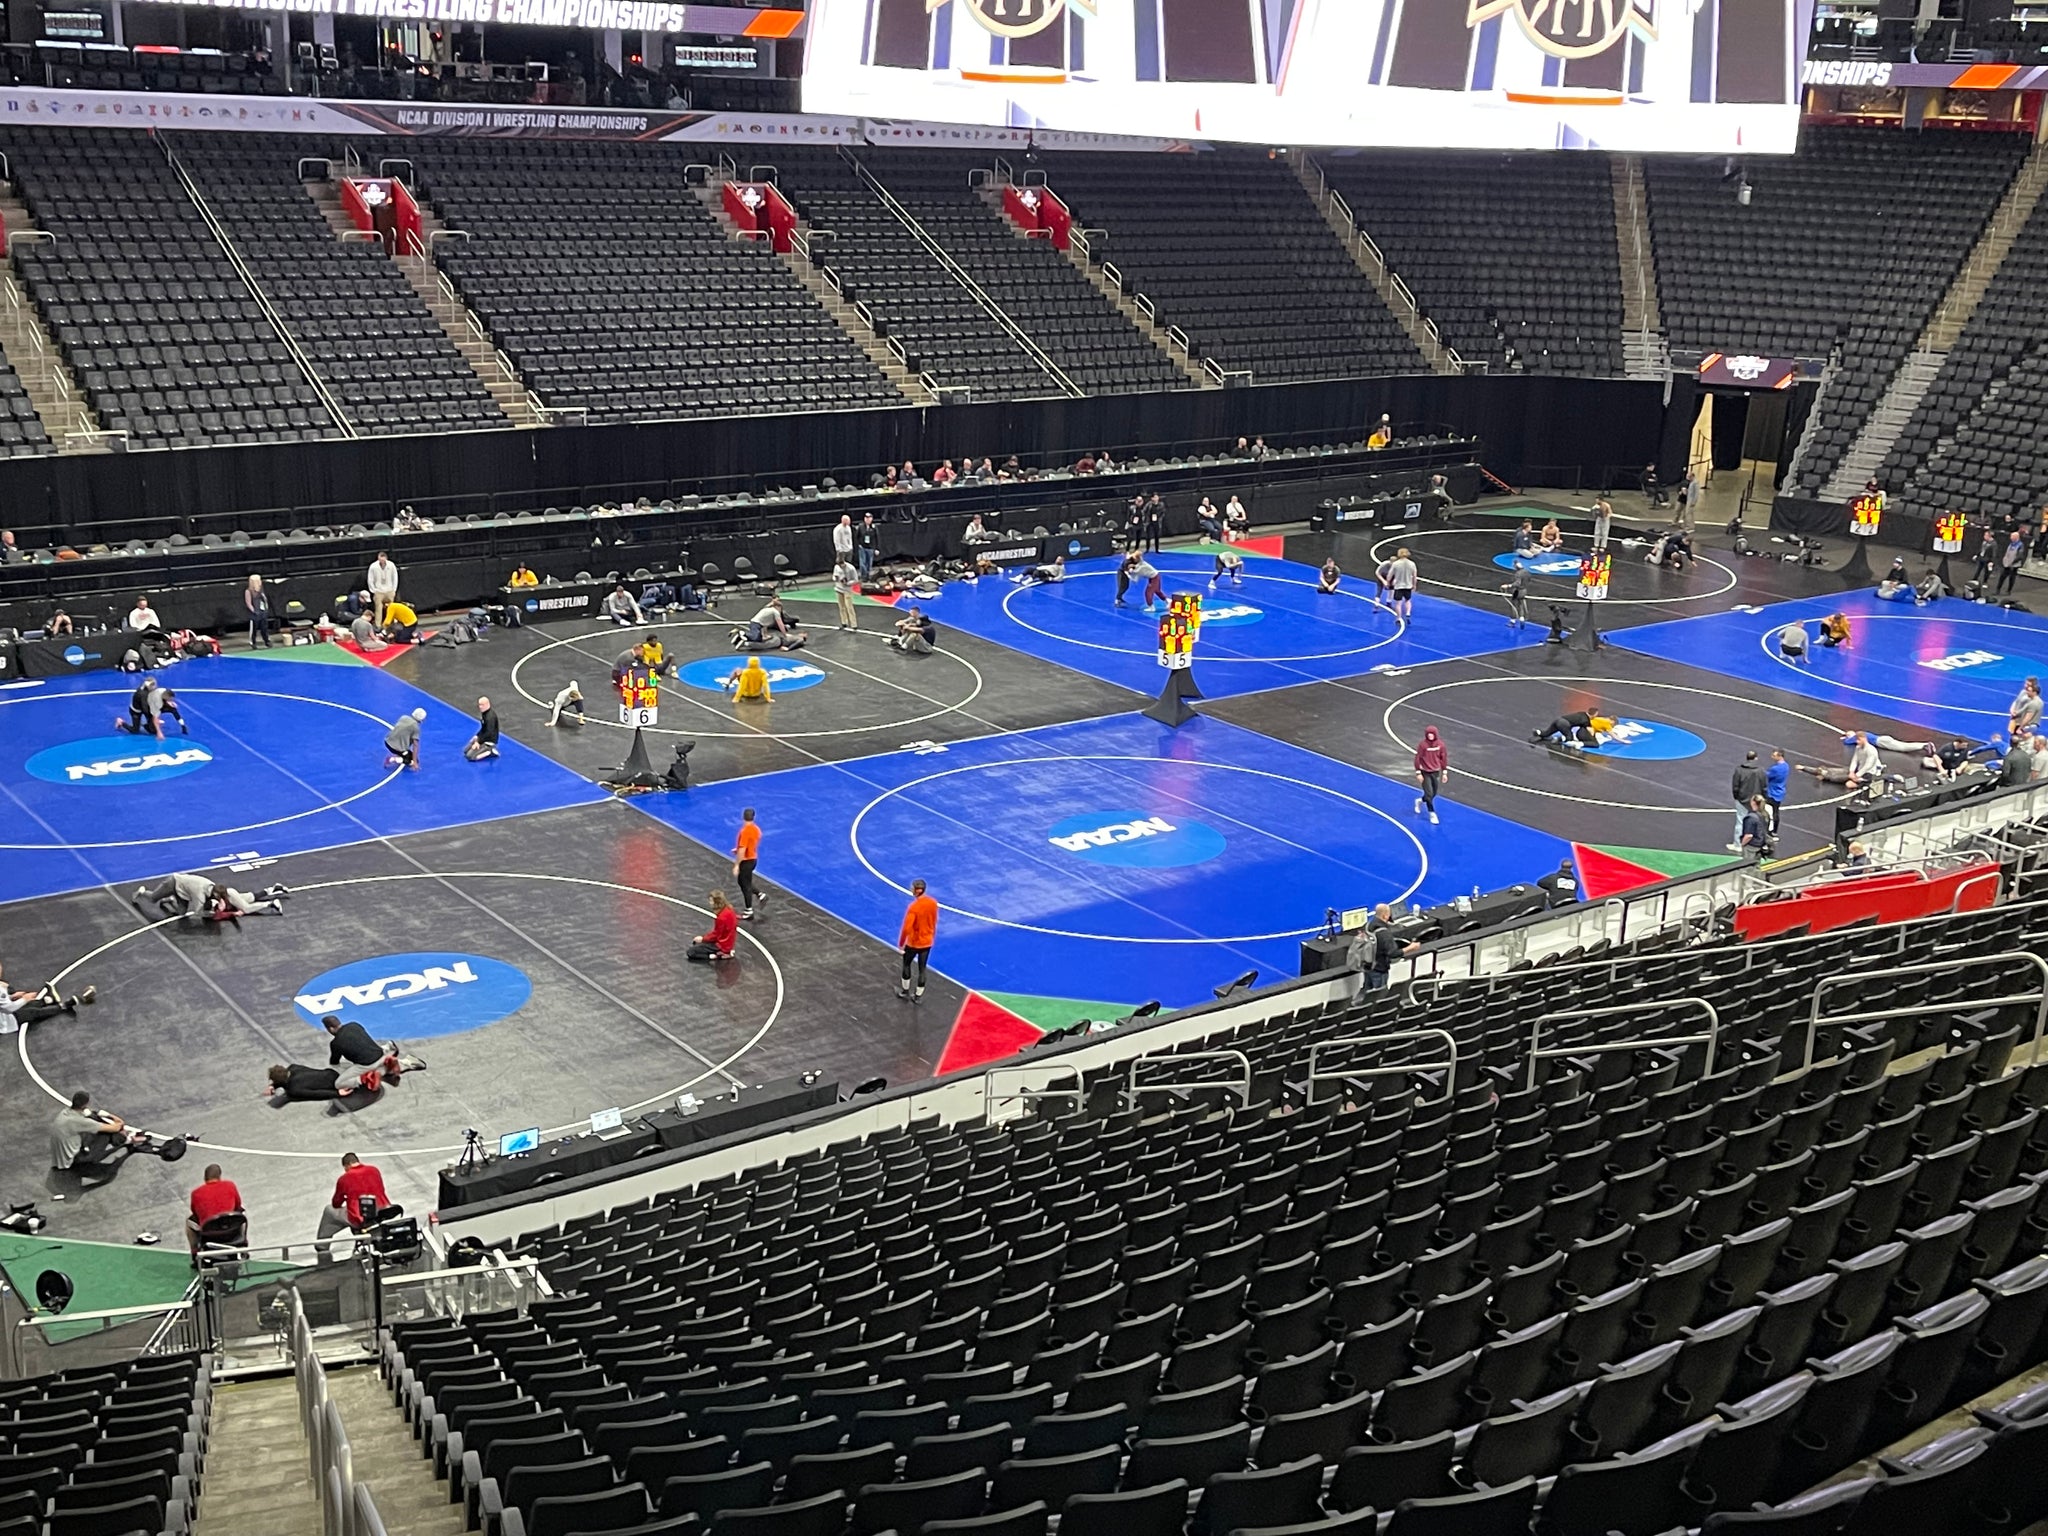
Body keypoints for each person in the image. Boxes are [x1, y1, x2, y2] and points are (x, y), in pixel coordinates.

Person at [50, 1091, 147, 1181]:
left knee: (95, 1123)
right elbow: (118, 1125)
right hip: (73, 1161)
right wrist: (108, 1115)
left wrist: (95, 1115)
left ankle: (125, 1138)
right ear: (85, 1104)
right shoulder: (79, 1122)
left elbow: (88, 1118)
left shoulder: (65, 1113)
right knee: (107, 1134)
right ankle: (127, 1140)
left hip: (61, 1156)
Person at [316, 1152, 389, 1250]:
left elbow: (336, 1203)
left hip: (360, 1216)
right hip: (382, 1211)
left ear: (347, 1165)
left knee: (329, 1211)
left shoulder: (344, 1179)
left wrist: (347, 1198)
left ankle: (322, 1246)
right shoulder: (374, 1170)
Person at [0, 960, 91, 1031]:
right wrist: (24, 998)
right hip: (7, 1023)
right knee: (32, 1011)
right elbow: (8, 1008)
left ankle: (49, 1000)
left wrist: (12, 997)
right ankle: (64, 1006)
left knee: (28, 1004)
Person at [1348, 903, 1417, 989]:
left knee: (1368, 991)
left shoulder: (1368, 925)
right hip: (1380, 969)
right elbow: (1393, 953)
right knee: (1379, 995)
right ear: (1385, 916)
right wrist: (1411, 948)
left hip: (1369, 965)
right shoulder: (1384, 933)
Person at [324, 1016, 400, 1092]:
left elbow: (334, 1062)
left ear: (331, 1029)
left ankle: (364, 1079)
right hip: (380, 1054)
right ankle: (386, 1066)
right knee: (370, 1059)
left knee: (338, 1083)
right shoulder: (354, 1025)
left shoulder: (335, 1043)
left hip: (367, 1065)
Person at [187, 1164, 243, 1260]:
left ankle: (195, 1253)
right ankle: (242, 1245)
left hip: (209, 1234)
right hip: (231, 1232)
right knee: (240, 1214)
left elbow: (195, 1213)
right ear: (219, 1176)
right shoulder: (230, 1186)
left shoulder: (196, 1193)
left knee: (189, 1222)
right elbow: (238, 1205)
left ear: (205, 1178)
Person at [898, 878, 937, 1000]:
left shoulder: (914, 907)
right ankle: (918, 996)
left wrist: (902, 943)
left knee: (906, 964)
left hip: (914, 942)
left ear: (916, 890)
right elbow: (934, 921)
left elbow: (906, 927)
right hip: (927, 941)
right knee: (922, 968)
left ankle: (905, 991)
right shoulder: (933, 903)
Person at [115, 677, 187, 739]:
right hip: (137, 710)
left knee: (153, 730)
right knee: (135, 730)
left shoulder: (159, 690)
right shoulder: (142, 694)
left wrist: (169, 702)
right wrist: (157, 724)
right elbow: (146, 710)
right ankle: (121, 722)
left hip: (148, 706)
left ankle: (147, 725)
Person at [1729, 750, 1768, 851]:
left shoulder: (1739, 770)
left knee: (1740, 821)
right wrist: (1763, 797)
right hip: (1757, 799)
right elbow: (1764, 786)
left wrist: (1737, 797)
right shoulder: (1761, 770)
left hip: (1742, 799)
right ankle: (1762, 842)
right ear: (1756, 758)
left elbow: (1735, 786)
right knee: (1761, 820)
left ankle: (1738, 844)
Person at [688, 891, 738, 962]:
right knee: (700, 944)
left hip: (722, 945)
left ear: (716, 902)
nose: (710, 903)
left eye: (711, 901)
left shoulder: (721, 917)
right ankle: (724, 952)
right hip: (728, 943)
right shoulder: (729, 910)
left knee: (691, 952)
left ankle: (715, 955)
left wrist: (703, 939)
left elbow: (716, 935)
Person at [1413, 726, 1448, 825]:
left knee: (1433, 793)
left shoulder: (1440, 745)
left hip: (1435, 771)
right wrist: (1418, 772)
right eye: (1429, 734)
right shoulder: (1423, 745)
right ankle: (1432, 813)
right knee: (1429, 793)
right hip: (1425, 772)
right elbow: (1417, 758)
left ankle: (1420, 801)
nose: (1430, 736)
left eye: (1432, 734)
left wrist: (1444, 772)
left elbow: (1443, 758)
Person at [732, 810, 764, 919]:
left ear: (743, 817)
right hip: (753, 859)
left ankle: (749, 911)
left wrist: (737, 865)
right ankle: (760, 894)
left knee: (745, 885)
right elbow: (752, 844)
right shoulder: (756, 830)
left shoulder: (745, 831)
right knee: (743, 881)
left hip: (746, 861)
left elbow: (743, 849)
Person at [1532, 710, 1616, 748]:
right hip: (1564, 724)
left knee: (1547, 733)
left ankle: (1538, 732)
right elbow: (1589, 729)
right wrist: (1592, 737)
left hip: (1559, 719)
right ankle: (1560, 738)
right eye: (1596, 714)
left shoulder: (1582, 713)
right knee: (1569, 738)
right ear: (1593, 714)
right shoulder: (1586, 720)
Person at [384, 707, 427, 771]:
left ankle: (399, 754)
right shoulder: (415, 727)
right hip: (397, 748)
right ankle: (392, 759)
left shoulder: (403, 717)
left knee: (406, 753)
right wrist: (414, 762)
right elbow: (415, 745)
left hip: (387, 742)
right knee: (412, 760)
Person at [1385, 547, 1418, 622]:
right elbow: (1415, 576)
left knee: (1398, 603)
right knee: (1407, 600)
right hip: (1408, 585)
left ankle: (1399, 617)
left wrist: (1388, 583)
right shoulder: (1412, 564)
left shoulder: (1396, 564)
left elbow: (1389, 575)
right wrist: (1414, 585)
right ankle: (1408, 612)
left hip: (1398, 586)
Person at [366, 553, 400, 625]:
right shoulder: (373, 566)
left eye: (383, 560)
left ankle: (392, 624)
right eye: (380, 560)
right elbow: (370, 579)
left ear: (386, 558)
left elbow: (395, 577)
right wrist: (373, 590)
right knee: (378, 609)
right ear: (378, 559)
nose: (382, 561)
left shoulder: (391, 565)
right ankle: (378, 625)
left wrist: (394, 589)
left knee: (392, 608)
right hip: (378, 591)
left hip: (389, 590)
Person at [465, 697, 500, 762]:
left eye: (482, 705)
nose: (480, 707)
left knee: (470, 756)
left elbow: (488, 732)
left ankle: (490, 751)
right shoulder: (485, 714)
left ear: (487, 704)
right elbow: (484, 728)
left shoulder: (490, 717)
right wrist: (477, 736)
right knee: (465, 751)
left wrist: (478, 742)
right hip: (483, 739)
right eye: (479, 705)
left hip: (489, 742)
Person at [244, 574, 274, 649]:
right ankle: (253, 642)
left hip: (262, 612)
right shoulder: (248, 591)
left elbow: (265, 600)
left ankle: (267, 641)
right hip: (254, 614)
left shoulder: (262, 590)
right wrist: (254, 611)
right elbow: (248, 603)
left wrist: (266, 609)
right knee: (254, 629)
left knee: (264, 628)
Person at [1766, 749, 1790, 835]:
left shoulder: (1775, 769)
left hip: (1772, 792)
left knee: (1767, 811)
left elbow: (1767, 776)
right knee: (1776, 811)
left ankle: (1768, 829)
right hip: (1779, 792)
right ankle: (1775, 831)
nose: (1772, 757)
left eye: (1774, 755)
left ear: (1779, 756)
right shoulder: (1786, 766)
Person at [832, 558, 860, 630]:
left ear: (844, 563)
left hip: (847, 590)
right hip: (838, 588)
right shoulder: (836, 567)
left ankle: (854, 624)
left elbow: (856, 580)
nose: (841, 567)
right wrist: (835, 579)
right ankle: (844, 622)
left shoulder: (851, 568)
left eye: (842, 565)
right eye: (839, 565)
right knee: (841, 607)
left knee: (849, 606)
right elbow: (834, 576)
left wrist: (848, 583)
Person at [2012, 678, 2043, 743]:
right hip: (2031, 725)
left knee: (2019, 741)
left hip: (2028, 726)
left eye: (2029, 691)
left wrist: (2020, 728)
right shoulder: (2039, 701)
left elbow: (2028, 717)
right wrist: (2016, 713)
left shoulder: (2033, 703)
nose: (2027, 692)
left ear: (2034, 692)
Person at [1999, 530, 2027, 596]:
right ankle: (1998, 589)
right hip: (2007, 563)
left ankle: (2009, 590)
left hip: (2014, 565)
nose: (2010, 538)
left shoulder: (2020, 545)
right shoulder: (2011, 544)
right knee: (2002, 576)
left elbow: (2020, 556)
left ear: (2016, 537)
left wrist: (2013, 562)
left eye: (2012, 536)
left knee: (2012, 578)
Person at [1501, 565, 1529, 630]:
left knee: (1513, 605)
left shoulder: (1518, 574)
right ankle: (1522, 619)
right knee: (1521, 605)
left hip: (1517, 591)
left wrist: (1508, 586)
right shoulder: (1527, 572)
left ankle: (1512, 621)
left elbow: (1517, 583)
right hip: (1524, 590)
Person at [856, 513, 879, 580]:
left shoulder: (874, 527)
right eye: (866, 518)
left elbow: (877, 538)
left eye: (869, 518)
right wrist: (859, 544)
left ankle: (868, 575)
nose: (867, 519)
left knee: (869, 563)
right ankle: (864, 576)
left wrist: (877, 548)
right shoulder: (861, 526)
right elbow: (857, 536)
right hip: (862, 547)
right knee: (862, 563)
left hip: (870, 548)